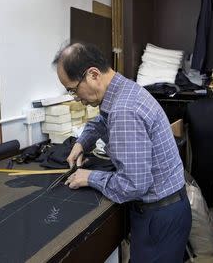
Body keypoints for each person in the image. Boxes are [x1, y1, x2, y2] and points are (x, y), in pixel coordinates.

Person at [53, 41, 191, 262]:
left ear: (93, 74)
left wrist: (90, 177)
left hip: (159, 216)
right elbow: (101, 120)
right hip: (168, 208)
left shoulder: (124, 110)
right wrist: (81, 143)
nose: (75, 97)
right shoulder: (121, 89)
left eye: (73, 89)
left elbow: (133, 185)